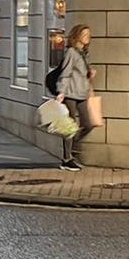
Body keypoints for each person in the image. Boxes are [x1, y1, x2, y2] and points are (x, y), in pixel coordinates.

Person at [55, 24, 97, 171]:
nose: (88, 38)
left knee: (88, 124)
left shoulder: (84, 53)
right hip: (71, 94)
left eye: (88, 35)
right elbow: (65, 73)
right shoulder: (71, 52)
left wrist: (89, 73)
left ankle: (71, 149)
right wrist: (61, 92)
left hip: (82, 93)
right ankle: (67, 159)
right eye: (85, 35)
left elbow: (81, 74)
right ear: (77, 36)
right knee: (70, 126)